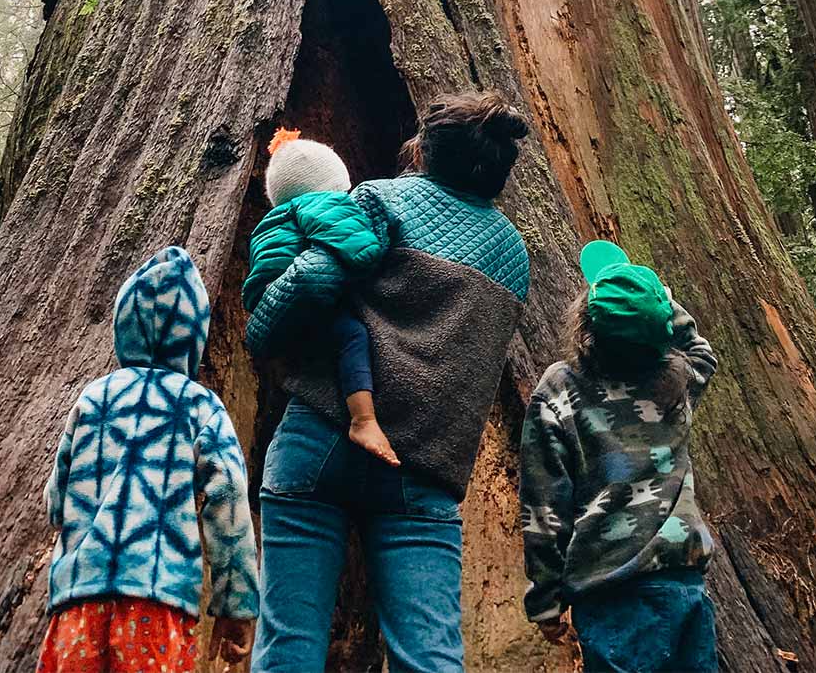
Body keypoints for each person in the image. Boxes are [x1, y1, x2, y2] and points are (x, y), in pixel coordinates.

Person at [245, 91, 532, 673]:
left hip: (319, 440)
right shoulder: (514, 255)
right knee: (428, 658)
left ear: (424, 150)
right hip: (423, 473)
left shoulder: (380, 198)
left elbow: (313, 284)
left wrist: (261, 328)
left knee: (288, 647)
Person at [37, 247, 259, 673]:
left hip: (78, 599)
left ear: (125, 323)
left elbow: (55, 501)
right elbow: (229, 497)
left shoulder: (93, 398)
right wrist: (237, 603)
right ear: (193, 333)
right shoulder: (201, 406)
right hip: (157, 602)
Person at [519, 240, 719, 673]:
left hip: (611, 593)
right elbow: (700, 348)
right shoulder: (677, 382)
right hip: (684, 584)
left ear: (585, 326)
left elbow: (543, 499)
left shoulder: (561, 388)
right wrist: (659, 299)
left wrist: (546, 597)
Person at [242, 128, 397, 466]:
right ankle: (364, 421)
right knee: (352, 336)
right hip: (308, 308)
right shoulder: (322, 205)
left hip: (275, 312)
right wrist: (375, 251)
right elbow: (359, 247)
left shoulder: (272, 221)